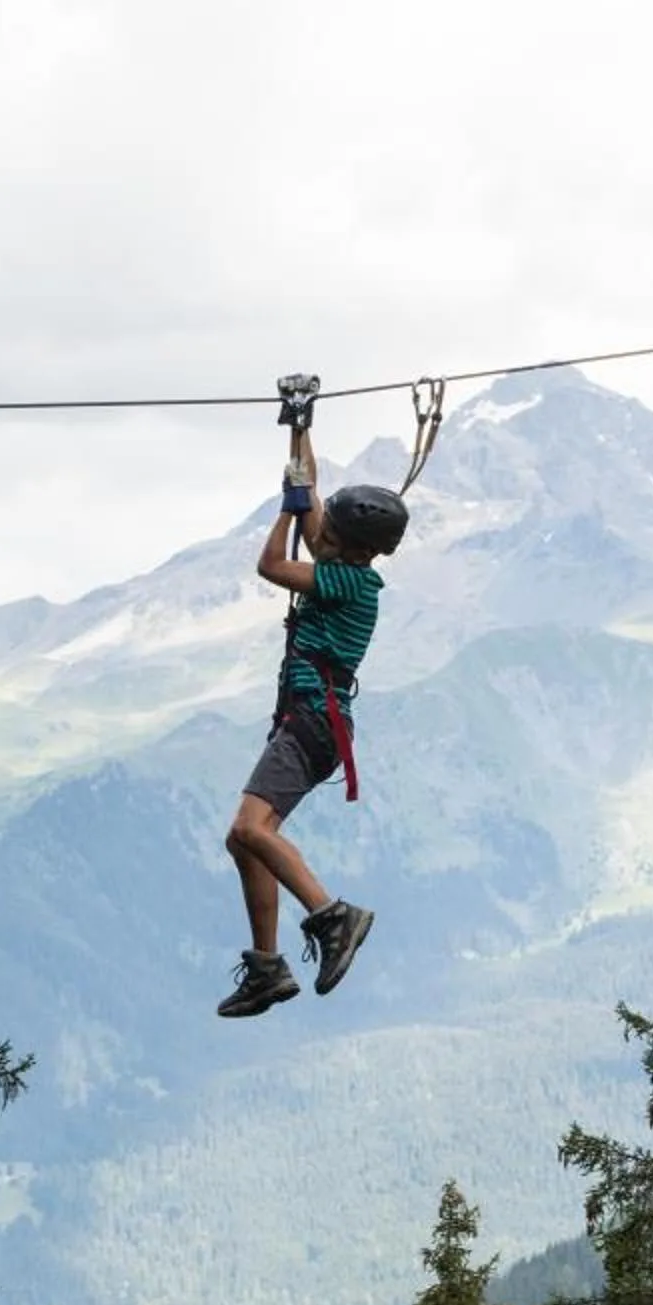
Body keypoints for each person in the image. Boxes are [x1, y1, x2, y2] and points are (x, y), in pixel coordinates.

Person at [218, 377, 410, 1017]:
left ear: (348, 548)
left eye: (327, 528)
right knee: (243, 839)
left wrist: (284, 507)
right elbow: (313, 504)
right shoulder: (344, 561)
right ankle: (268, 968)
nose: (316, 526)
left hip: (312, 723)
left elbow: (272, 564)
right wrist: (302, 425)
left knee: (251, 827)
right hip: (309, 724)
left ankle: (332, 916)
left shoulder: (348, 584)